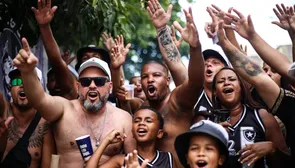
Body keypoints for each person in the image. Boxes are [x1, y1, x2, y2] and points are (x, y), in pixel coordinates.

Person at [13, 38, 135, 168]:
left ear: (110, 87)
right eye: (85, 82)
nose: (92, 86)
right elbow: (40, 101)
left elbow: (133, 160)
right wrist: (28, 73)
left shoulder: (123, 118)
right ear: (77, 86)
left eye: (99, 81)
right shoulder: (65, 109)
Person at [214, 8, 295, 165]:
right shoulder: (292, 106)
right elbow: (257, 76)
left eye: (273, 70)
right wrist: (226, 40)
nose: (268, 73)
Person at [144, 1, 205, 167]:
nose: (150, 79)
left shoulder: (177, 101)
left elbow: (195, 83)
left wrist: (195, 48)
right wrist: (160, 29)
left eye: (156, 75)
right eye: (145, 76)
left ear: (167, 80)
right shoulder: (141, 110)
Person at [212, 67, 290, 167]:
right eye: (221, 81)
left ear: (241, 86)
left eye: (232, 79)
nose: (227, 83)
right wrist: (210, 136)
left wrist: (272, 149)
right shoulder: (207, 121)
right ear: (215, 91)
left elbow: (289, 162)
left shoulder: (262, 116)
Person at [0, 67, 55, 168]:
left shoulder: (45, 124)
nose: (22, 85)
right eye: (17, 81)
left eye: (29, 81)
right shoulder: (3, 110)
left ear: (39, 89)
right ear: (9, 88)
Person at [86, 106, 173, 168]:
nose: (141, 123)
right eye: (137, 120)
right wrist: (106, 141)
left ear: (159, 133)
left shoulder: (169, 158)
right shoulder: (122, 160)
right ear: (132, 132)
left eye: (148, 121)